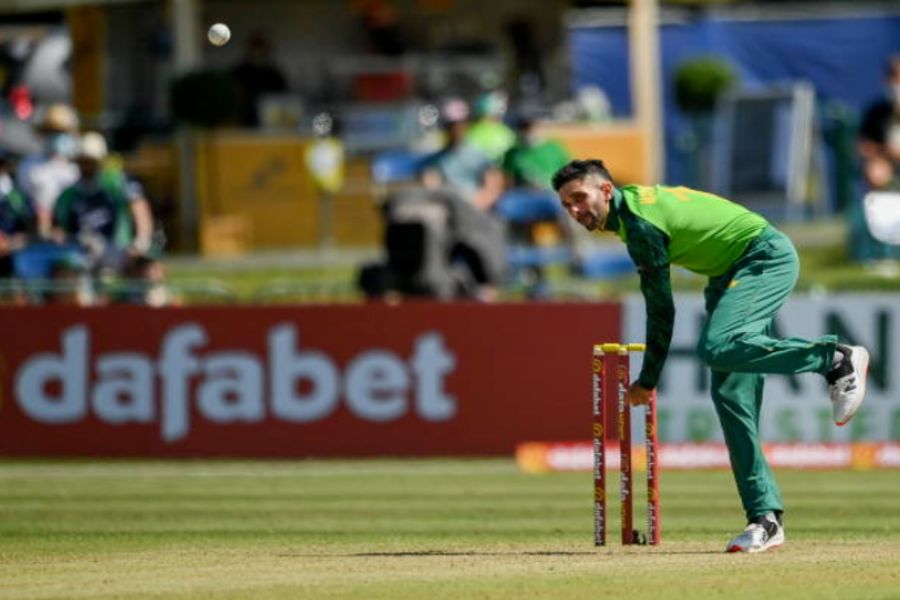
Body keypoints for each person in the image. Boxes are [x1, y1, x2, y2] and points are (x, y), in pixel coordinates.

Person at [552, 159, 870, 554]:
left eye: (579, 198)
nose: (575, 210)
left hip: (762, 257)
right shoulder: (632, 207)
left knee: (717, 347)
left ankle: (833, 359)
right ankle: (765, 519)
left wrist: (648, 379)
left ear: (605, 190)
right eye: (567, 205)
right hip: (727, 276)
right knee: (731, 399)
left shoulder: (638, 224)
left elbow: (661, 309)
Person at [52, 132, 154, 276]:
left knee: (148, 269)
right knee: (65, 273)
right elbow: (59, 229)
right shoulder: (68, 195)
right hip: (80, 251)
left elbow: (139, 206)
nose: (86, 166)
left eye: (90, 161)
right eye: (83, 161)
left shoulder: (117, 184)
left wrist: (141, 241)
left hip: (117, 249)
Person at [858, 55, 900, 191]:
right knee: (876, 171)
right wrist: (886, 151)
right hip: (887, 166)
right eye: (893, 76)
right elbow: (863, 145)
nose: (896, 83)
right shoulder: (876, 112)